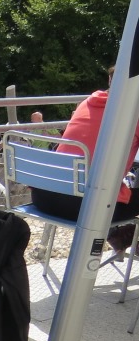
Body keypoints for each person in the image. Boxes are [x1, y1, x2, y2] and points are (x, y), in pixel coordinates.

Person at [30, 64, 139, 255]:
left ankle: (120, 234)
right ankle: (123, 235)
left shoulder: (86, 103)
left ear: (110, 80)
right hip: (86, 208)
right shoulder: (133, 113)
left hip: (44, 198)